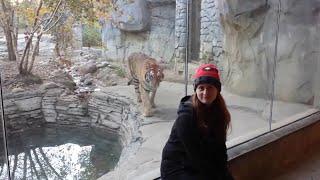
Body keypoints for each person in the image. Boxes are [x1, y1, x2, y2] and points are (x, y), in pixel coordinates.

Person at [160, 64, 234, 180]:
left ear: (217, 90)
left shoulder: (219, 111)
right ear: (196, 89)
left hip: (197, 163)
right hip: (177, 167)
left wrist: (224, 173)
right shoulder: (186, 116)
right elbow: (196, 156)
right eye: (201, 88)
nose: (205, 92)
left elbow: (220, 148)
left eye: (210, 87)